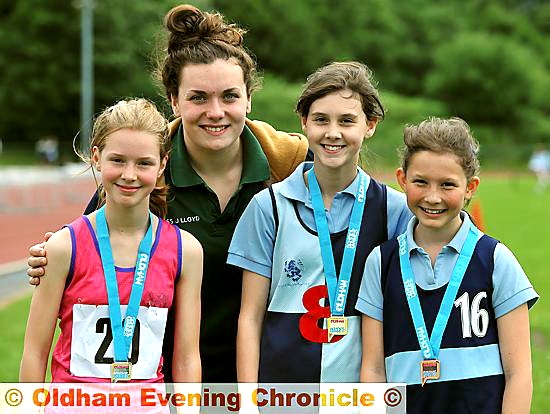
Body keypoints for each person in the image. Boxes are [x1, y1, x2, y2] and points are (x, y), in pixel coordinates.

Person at [26, 4, 309, 383]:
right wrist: (50, 255)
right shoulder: (143, 172)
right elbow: (93, 245)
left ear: (248, 99)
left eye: (229, 96)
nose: (216, 112)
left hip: (267, 382)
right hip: (168, 387)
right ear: (174, 101)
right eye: (197, 98)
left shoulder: (292, 167)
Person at [228, 61, 412, 383]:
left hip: (359, 398)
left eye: (347, 121)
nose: (333, 133)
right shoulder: (269, 206)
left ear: (370, 125)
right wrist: (247, 401)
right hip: (283, 397)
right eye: (321, 120)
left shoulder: (394, 210)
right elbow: (250, 318)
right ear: (304, 123)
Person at [357, 117, 539, 413]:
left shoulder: (495, 259)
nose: (433, 196)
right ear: (402, 179)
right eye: (420, 182)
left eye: (447, 185)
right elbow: (374, 370)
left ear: (470, 187)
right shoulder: (381, 263)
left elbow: (519, 373)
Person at [20, 99, 202, 384]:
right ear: (96, 157)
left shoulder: (186, 251)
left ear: (161, 165)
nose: (129, 175)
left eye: (144, 163)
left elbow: (187, 358)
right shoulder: (63, 248)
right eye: (117, 160)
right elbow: (34, 352)